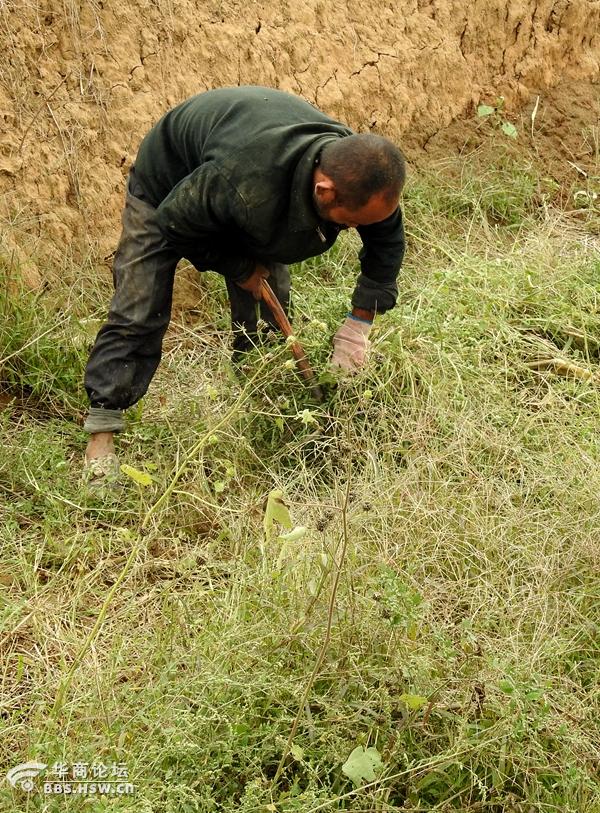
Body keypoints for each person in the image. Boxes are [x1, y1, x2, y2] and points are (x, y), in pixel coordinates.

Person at [83, 86, 406, 479]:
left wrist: (359, 324)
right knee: (139, 307)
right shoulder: (247, 178)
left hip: (237, 186)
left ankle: (268, 418)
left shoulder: (363, 174)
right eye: (349, 222)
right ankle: (100, 440)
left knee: (272, 313)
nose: (353, 229)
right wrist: (238, 267)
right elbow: (174, 222)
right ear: (324, 191)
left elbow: (386, 242)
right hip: (167, 189)